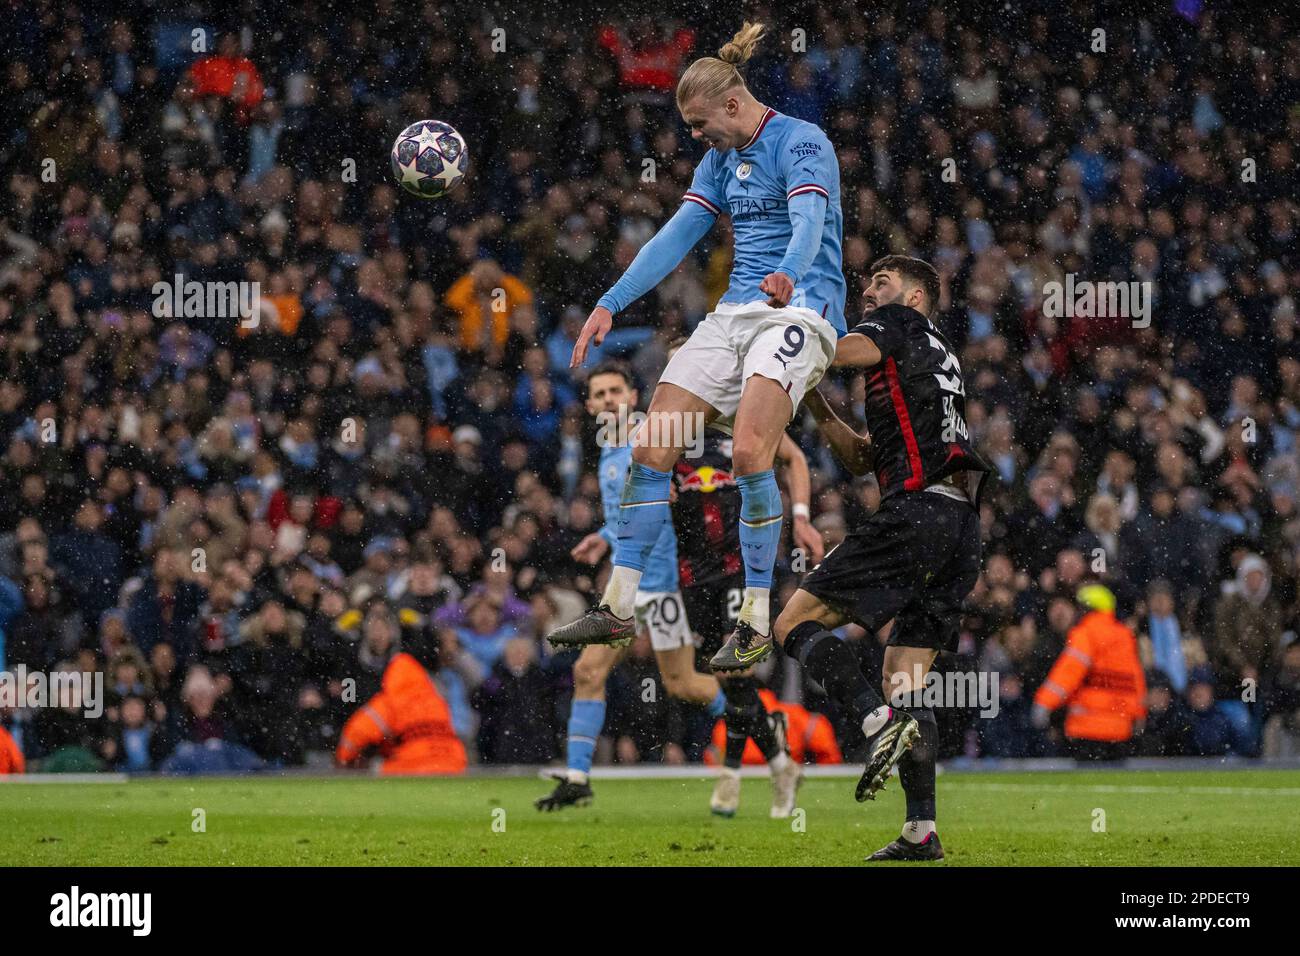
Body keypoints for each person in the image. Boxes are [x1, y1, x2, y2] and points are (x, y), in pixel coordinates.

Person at [550, 20, 845, 667]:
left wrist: (789, 274)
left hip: (801, 308)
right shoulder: (717, 162)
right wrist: (610, 301)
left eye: (698, 123)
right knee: (652, 446)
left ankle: (755, 619)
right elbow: (675, 236)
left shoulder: (802, 143)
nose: (693, 136)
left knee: (746, 455)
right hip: (736, 313)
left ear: (733, 104)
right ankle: (619, 607)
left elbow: (810, 222)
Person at [762, 256, 991, 862]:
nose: (869, 291)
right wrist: (812, 404)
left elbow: (834, 351)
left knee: (789, 622)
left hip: (914, 514)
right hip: (960, 525)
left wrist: (786, 332)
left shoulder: (899, 324)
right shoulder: (934, 354)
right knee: (907, 674)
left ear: (916, 297)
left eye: (882, 283)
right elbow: (864, 457)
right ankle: (922, 831)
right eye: (868, 284)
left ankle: (872, 721)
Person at [538, 363, 808, 816]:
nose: (607, 400)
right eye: (598, 394)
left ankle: (760, 722)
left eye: (615, 391)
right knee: (602, 673)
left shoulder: (659, 434)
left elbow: (676, 495)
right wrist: (604, 537)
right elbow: (634, 512)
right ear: (588, 404)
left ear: (633, 394)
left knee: (683, 683)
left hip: (664, 583)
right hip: (637, 586)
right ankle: (579, 777)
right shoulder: (609, 447)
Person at [335, 604, 467, 775]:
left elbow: (431, 648)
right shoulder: (353, 666)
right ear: (366, 633)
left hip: (397, 735)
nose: (378, 634)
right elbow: (348, 701)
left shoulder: (402, 663)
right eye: (374, 628)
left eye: (382, 628)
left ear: (391, 633)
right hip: (373, 733)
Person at [1031, 584, 1147, 761]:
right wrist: (1139, 713)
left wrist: (1044, 704)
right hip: (1120, 728)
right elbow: (1135, 678)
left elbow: (1068, 672)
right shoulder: (1124, 636)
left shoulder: (1085, 634)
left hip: (1087, 726)